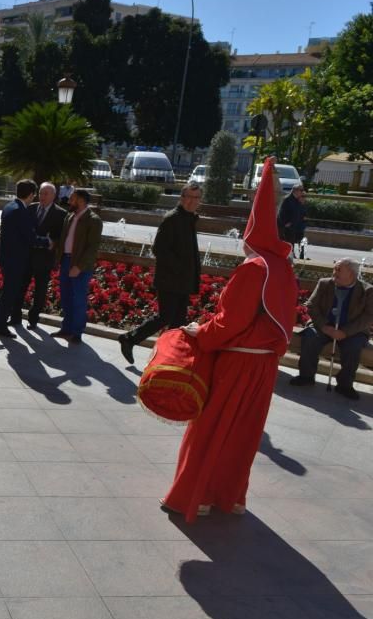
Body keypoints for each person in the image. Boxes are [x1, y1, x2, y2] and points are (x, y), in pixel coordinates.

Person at [162, 158, 298, 523]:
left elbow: (231, 322)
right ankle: (230, 497)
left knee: (210, 430)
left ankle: (197, 497)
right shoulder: (283, 267)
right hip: (264, 364)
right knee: (242, 435)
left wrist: (199, 334)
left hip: (237, 362)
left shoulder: (255, 268)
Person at [119, 182, 202, 363]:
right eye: (189, 197)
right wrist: (179, 268)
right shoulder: (172, 218)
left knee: (177, 323)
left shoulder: (190, 218)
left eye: (196, 198)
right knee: (165, 317)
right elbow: (159, 249)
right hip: (169, 279)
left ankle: (167, 358)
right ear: (182, 198)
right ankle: (129, 338)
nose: (192, 201)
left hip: (183, 281)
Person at [289, 258, 373, 400]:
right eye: (334, 268)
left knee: (353, 346)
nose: (334, 272)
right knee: (310, 336)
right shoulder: (325, 283)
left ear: (351, 274)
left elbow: (369, 316)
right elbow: (311, 306)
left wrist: (345, 332)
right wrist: (324, 326)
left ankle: (345, 385)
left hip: (352, 331)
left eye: (339, 269)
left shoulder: (367, 290)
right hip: (324, 326)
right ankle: (306, 376)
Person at [0, 179, 39, 338]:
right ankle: (0, 325)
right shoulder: (20, 211)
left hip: (7, 257)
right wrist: (46, 241)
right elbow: (29, 236)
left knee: (8, 290)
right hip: (15, 259)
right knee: (11, 292)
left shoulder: (9, 206)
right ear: (30, 194)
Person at [53, 188, 102, 344]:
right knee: (66, 297)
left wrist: (79, 266)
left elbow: (92, 248)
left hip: (80, 265)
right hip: (66, 261)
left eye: (72, 198)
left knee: (79, 299)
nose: (69, 201)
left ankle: (77, 333)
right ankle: (66, 328)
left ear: (81, 200)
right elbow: (63, 240)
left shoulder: (93, 220)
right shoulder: (70, 217)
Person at [22, 181, 67, 326]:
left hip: (45, 258)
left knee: (40, 291)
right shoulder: (30, 208)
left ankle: (33, 319)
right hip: (28, 255)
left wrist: (53, 243)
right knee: (21, 286)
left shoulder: (61, 214)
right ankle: (15, 315)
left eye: (46, 193)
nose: (42, 196)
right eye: (40, 193)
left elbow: (61, 237)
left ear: (54, 196)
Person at [278, 183, 307, 259]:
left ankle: (291, 259)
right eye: (301, 190)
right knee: (288, 244)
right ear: (295, 190)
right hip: (287, 228)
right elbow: (281, 213)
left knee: (292, 244)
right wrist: (286, 224)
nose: (302, 192)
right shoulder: (287, 199)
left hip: (294, 227)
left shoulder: (297, 200)